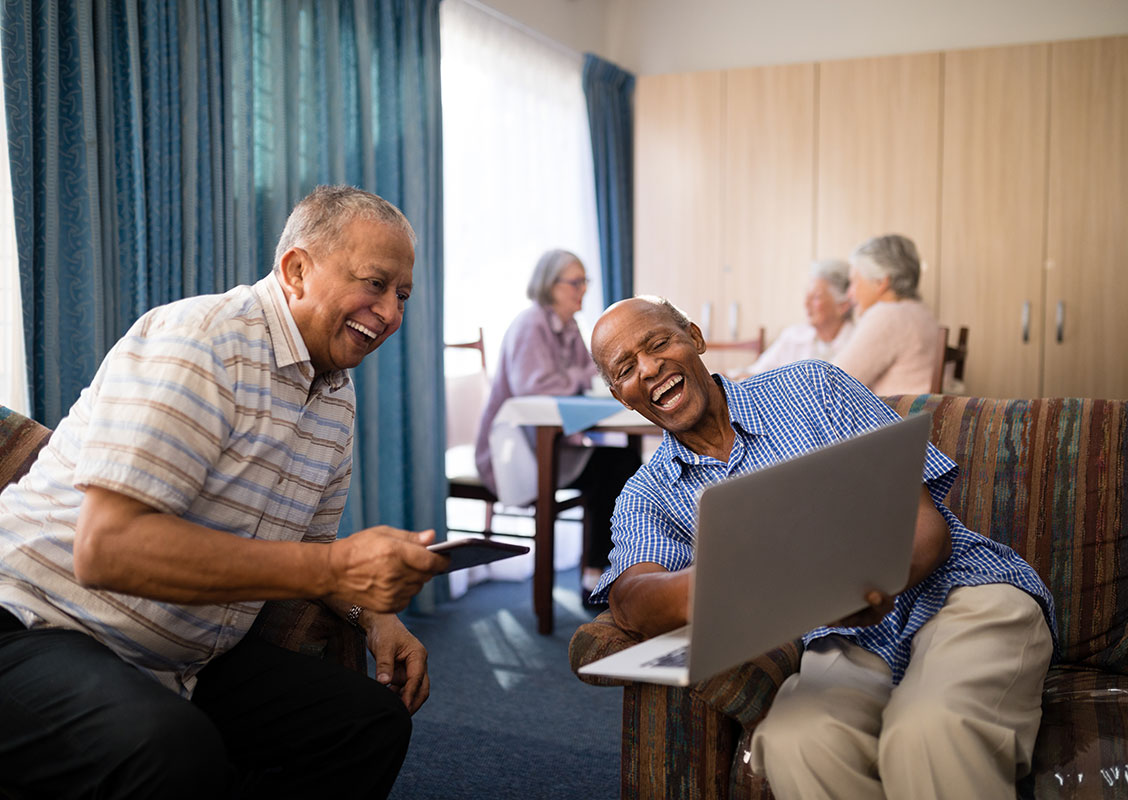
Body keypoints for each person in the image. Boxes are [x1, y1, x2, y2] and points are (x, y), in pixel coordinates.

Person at [0, 185, 450, 799]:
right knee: (169, 749)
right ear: (296, 270)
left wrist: (374, 615)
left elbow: (315, 555)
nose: (392, 313)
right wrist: (335, 565)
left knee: (368, 721)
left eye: (402, 295)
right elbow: (107, 550)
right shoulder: (202, 341)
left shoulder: (335, 397)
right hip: (37, 624)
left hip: (181, 660)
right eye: (374, 284)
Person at [588, 295, 1056, 800]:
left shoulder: (814, 387)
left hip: (961, 594)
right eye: (627, 368)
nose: (650, 367)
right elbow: (631, 599)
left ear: (695, 338)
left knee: (927, 734)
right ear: (620, 394)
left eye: (658, 343)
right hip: (842, 639)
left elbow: (926, 527)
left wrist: (857, 583)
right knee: (795, 744)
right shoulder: (646, 494)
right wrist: (728, 579)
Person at [475, 249, 641, 600]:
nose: (583, 289)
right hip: (516, 451)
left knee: (622, 465)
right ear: (551, 285)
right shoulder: (530, 323)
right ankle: (596, 573)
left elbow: (593, 376)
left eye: (585, 281)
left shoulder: (570, 327)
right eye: (575, 282)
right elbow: (533, 389)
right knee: (614, 468)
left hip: (554, 447)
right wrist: (583, 376)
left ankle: (606, 568)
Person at [832, 234, 942, 395]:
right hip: (926, 414)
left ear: (881, 282)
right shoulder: (922, 313)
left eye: (854, 282)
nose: (849, 293)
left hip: (900, 417)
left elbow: (832, 384)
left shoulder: (888, 316)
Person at [736, 258, 855, 378]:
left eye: (816, 297)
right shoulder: (793, 335)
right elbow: (755, 373)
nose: (806, 304)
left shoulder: (856, 342)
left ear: (843, 305)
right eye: (807, 296)